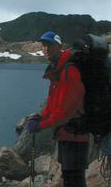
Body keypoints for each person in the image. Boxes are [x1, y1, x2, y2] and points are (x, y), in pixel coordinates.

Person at [27, 31, 89, 187]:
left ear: (59, 47)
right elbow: (53, 103)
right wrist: (41, 117)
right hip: (66, 134)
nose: (46, 49)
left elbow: (65, 112)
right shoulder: (57, 70)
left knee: (75, 179)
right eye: (44, 45)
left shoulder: (69, 70)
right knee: (69, 177)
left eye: (50, 45)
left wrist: (41, 125)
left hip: (76, 134)